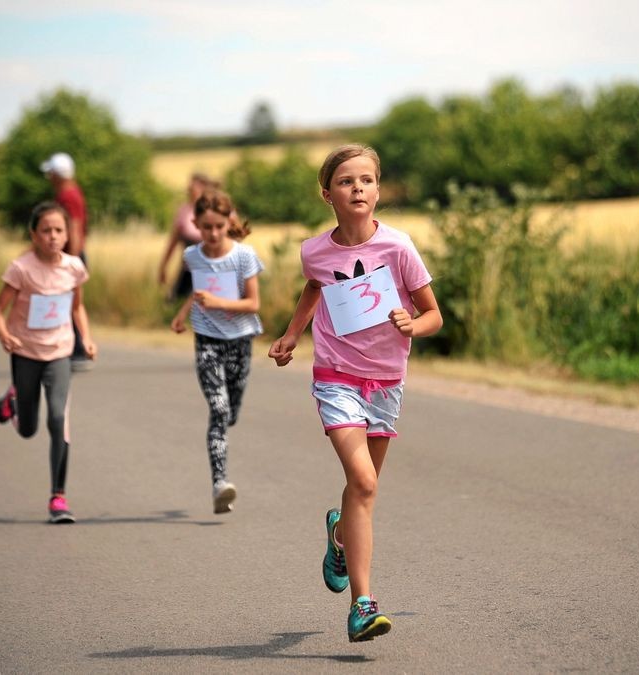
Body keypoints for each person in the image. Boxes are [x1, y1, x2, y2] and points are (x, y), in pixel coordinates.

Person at [267, 144, 442, 642]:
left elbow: (434, 314)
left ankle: (339, 536)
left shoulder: (399, 248)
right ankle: (362, 605)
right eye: (346, 181)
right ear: (328, 194)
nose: (357, 188)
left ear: (378, 190)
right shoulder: (315, 251)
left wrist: (414, 324)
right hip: (336, 377)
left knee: (361, 492)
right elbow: (314, 287)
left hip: (386, 382)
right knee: (363, 482)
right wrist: (292, 334)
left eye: (366, 180)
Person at [0, 201, 97, 524]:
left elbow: (77, 307)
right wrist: (5, 335)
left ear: (67, 234)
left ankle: (58, 498)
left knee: (58, 417)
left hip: (60, 352)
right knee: (28, 430)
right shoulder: (21, 269)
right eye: (46, 230)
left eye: (59, 230)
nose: (53, 236)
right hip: (25, 353)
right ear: (34, 234)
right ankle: (13, 400)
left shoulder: (74, 267)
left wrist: (86, 338)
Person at [170, 190, 264, 514]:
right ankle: (220, 484)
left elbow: (253, 304)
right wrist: (183, 314)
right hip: (207, 339)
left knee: (231, 411)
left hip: (240, 340)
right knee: (219, 409)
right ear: (195, 224)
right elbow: (200, 292)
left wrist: (219, 303)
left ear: (229, 223)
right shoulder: (193, 256)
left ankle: (225, 427)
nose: (212, 234)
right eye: (205, 227)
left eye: (218, 227)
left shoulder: (243, 256)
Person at [41, 152, 93, 372]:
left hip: (71, 255)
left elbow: (74, 229)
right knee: (66, 304)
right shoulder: (69, 194)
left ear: (57, 174)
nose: (48, 177)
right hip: (71, 255)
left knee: (70, 304)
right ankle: (69, 349)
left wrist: (68, 261)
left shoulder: (68, 197)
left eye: (51, 172)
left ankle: (78, 351)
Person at [158, 172, 210, 302]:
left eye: (194, 188)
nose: (190, 191)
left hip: (210, 269)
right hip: (188, 268)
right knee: (174, 301)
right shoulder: (184, 211)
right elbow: (173, 241)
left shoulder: (214, 211)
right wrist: (163, 266)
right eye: (190, 188)